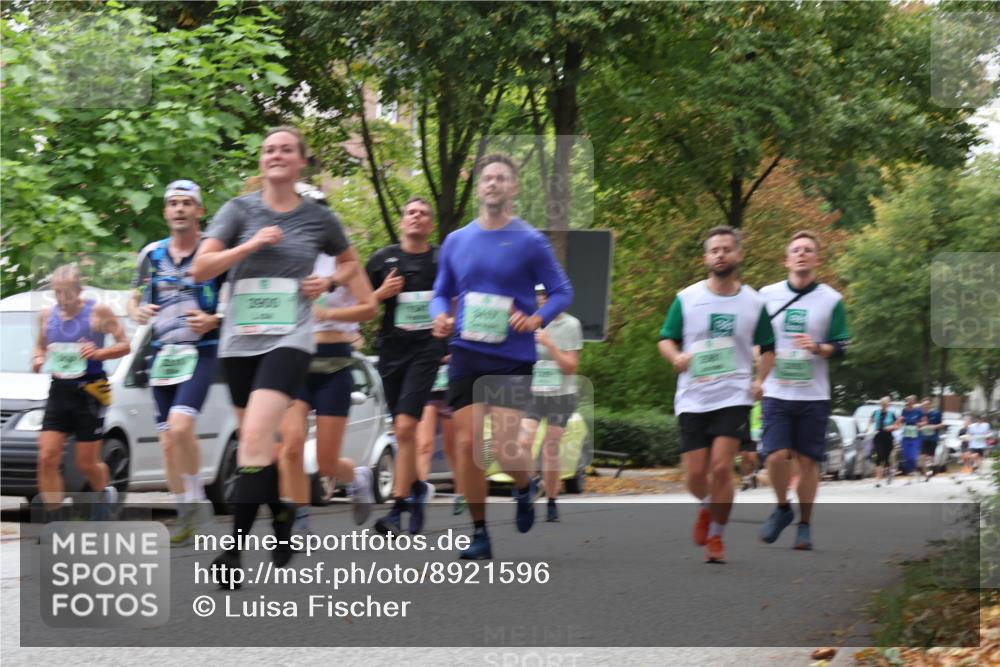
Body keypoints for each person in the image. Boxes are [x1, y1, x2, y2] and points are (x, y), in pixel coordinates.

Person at [192, 126, 359, 587]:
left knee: (252, 440)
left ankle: (232, 552)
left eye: (286, 149)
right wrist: (249, 245)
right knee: (259, 448)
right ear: (261, 161)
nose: (276, 155)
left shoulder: (318, 218)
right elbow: (201, 268)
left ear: (301, 160)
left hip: (290, 339)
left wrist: (328, 282)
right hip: (239, 341)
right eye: (269, 150)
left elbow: (349, 262)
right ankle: (281, 511)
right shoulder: (238, 210)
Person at [430, 153, 573, 560]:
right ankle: (480, 533)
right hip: (466, 352)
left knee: (507, 449)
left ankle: (525, 485)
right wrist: (440, 316)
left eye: (501, 178)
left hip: (511, 357)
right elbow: (441, 291)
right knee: (468, 445)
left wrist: (537, 319)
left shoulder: (530, 240)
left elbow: (562, 291)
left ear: (513, 188)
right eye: (487, 178)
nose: (493, 183)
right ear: (480, 187)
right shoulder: (457, 240)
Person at [658, 225, 775, 564]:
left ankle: (717, 536)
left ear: (738, 254)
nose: (720, 254)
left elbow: (769, 347)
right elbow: (665, 339)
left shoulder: (754, 302)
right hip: (693, 395)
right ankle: (708, 506)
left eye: (726, 249)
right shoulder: (687, 298)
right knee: (695, 475)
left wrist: (760, 380)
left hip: (734, 394)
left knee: (723, 468)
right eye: (714, 250)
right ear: (706, 257)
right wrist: (676, 357)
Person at [276, 184, 377, 534]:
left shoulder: (343, 259)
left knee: (326, 463)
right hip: (295, 359)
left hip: (334, 362)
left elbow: (370, 307)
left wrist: (331, 311)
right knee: (290, 447)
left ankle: (357, 476)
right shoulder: (285, 257)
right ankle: (299, 522)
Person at [128, 180, 224, 545]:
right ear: (166, 211)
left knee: (181, 427)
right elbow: (133, 298)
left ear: (199, 211)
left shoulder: (213, 251)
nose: (179, 209)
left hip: (200, 351)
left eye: (186, 203)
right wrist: (136, 311)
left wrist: (214, 319)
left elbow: (232, 298)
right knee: (168, 442)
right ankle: (185, 513)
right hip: (163, 354)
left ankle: (198, 499)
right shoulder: (152, 254)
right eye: (173, 203)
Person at [758, 231, 850, 551]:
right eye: (795, 249)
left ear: (817, 259)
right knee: (775, 456)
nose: (801, 254)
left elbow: (842, 346)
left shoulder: (832, 300)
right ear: (786, 260)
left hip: (814, 394)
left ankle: (805, 525)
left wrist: (819, 347)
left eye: (808, 250)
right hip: (776, 390)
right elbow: (755, 337)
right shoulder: (766, 295)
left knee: (809, 463)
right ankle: (783, 508)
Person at [366, 197, 448, 536]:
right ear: (402, 221)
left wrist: (449, 329)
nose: (416, 217)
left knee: (404, 427)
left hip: (427, 350)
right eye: (410, 212)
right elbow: (360, 305)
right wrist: (382, 293)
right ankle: (416, 489)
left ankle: (397, 508)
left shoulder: (442, 259)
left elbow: (459, 297)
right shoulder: (381, 260)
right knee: (404, 431)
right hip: (391, 351)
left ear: (431, 225)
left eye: (423, 213)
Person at [33, 264, 131, 519]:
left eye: (67, 292)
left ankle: (104, 493)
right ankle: (53, 520)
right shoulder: (46, 315)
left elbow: (124, 345)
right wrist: (38, 358)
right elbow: (40, 347)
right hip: (59, 390)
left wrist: (99, 353)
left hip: (91, 390)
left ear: (79, 291)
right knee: (46, 458)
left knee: (86, 463)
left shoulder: (98, 312)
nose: (62, 298)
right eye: (57, 292)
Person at [519, 284, 583, 523]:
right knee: (524, 441)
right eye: (539, 294)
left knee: (551, 447)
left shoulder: (571, 325)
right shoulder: (529, 321)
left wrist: (549, 344)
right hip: (534, 392)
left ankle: (552, 501)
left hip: (561, 394)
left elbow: (571, 367)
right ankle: (532, 483)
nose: (542, 298)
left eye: (547, 294)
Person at [416, 356, 463, 514]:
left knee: (452, 448)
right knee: (423, 446)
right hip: (427, 390)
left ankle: (460, 493)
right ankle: (419, 494)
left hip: (451, 389)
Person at [868, 397, 898, 487]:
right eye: (882, 404)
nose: (884, 405)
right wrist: (868, 427)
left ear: (888, 405)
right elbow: (870, 420)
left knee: (886, 458)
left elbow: (897, 425)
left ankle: (889, 471)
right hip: (878, 436)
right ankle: (878, 480)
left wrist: (891, 427)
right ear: (880, 404)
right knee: (879, 456)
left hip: (888, 437)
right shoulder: (876, 412)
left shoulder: (892, 414)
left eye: (886, 404)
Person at [897, 395, 923, 484]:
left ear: (914, 402)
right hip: (906, 436)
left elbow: (924, 421)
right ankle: (912, 474)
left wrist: (919, 425)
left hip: (915, 437)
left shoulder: (918, 411)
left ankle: (913, 473)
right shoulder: (904, 411)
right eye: (908, 402)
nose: (909, 403)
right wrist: (899, 420)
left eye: (911, 402)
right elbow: (900, 422)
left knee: (912, 457)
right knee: (907, 457)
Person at [917, 396, 943, 481]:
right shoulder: (920, 414)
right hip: (924, 438)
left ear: (930, 404)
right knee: (922, 458)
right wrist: (921, 426)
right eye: (924, 405)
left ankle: (932, 470)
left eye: (927, 404)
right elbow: (917, 425)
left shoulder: (936, 413)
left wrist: (934, 426)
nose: (925, 406)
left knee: (931, 458)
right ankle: (926, 475)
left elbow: (941, 425)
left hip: (933, 438)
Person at [740, 402, 762, 491]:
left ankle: (753, 475)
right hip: (742, 431)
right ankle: (746, 481)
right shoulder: (742, 401)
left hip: (755, 431)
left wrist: (763, 416)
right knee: (743, 458)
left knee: (752, 458)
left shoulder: (760, 402)